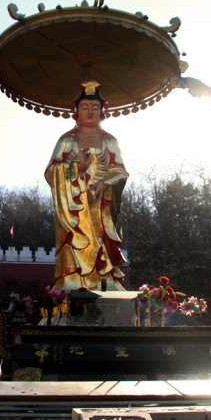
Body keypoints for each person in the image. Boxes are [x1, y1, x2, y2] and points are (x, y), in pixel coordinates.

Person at [45, 81, 128, 291]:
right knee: (75, 243)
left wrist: (105, 182)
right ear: (76, 111)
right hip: (74, 209)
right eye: (84, 107)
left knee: (102, 244)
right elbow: (51, 172)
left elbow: (120, 172)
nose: (90, 111)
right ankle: (72, 280)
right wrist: (76, 168)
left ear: (102, 112)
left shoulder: (110, 141)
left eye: (95, 107)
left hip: (101, 208)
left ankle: (106, 280)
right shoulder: (66, 140)